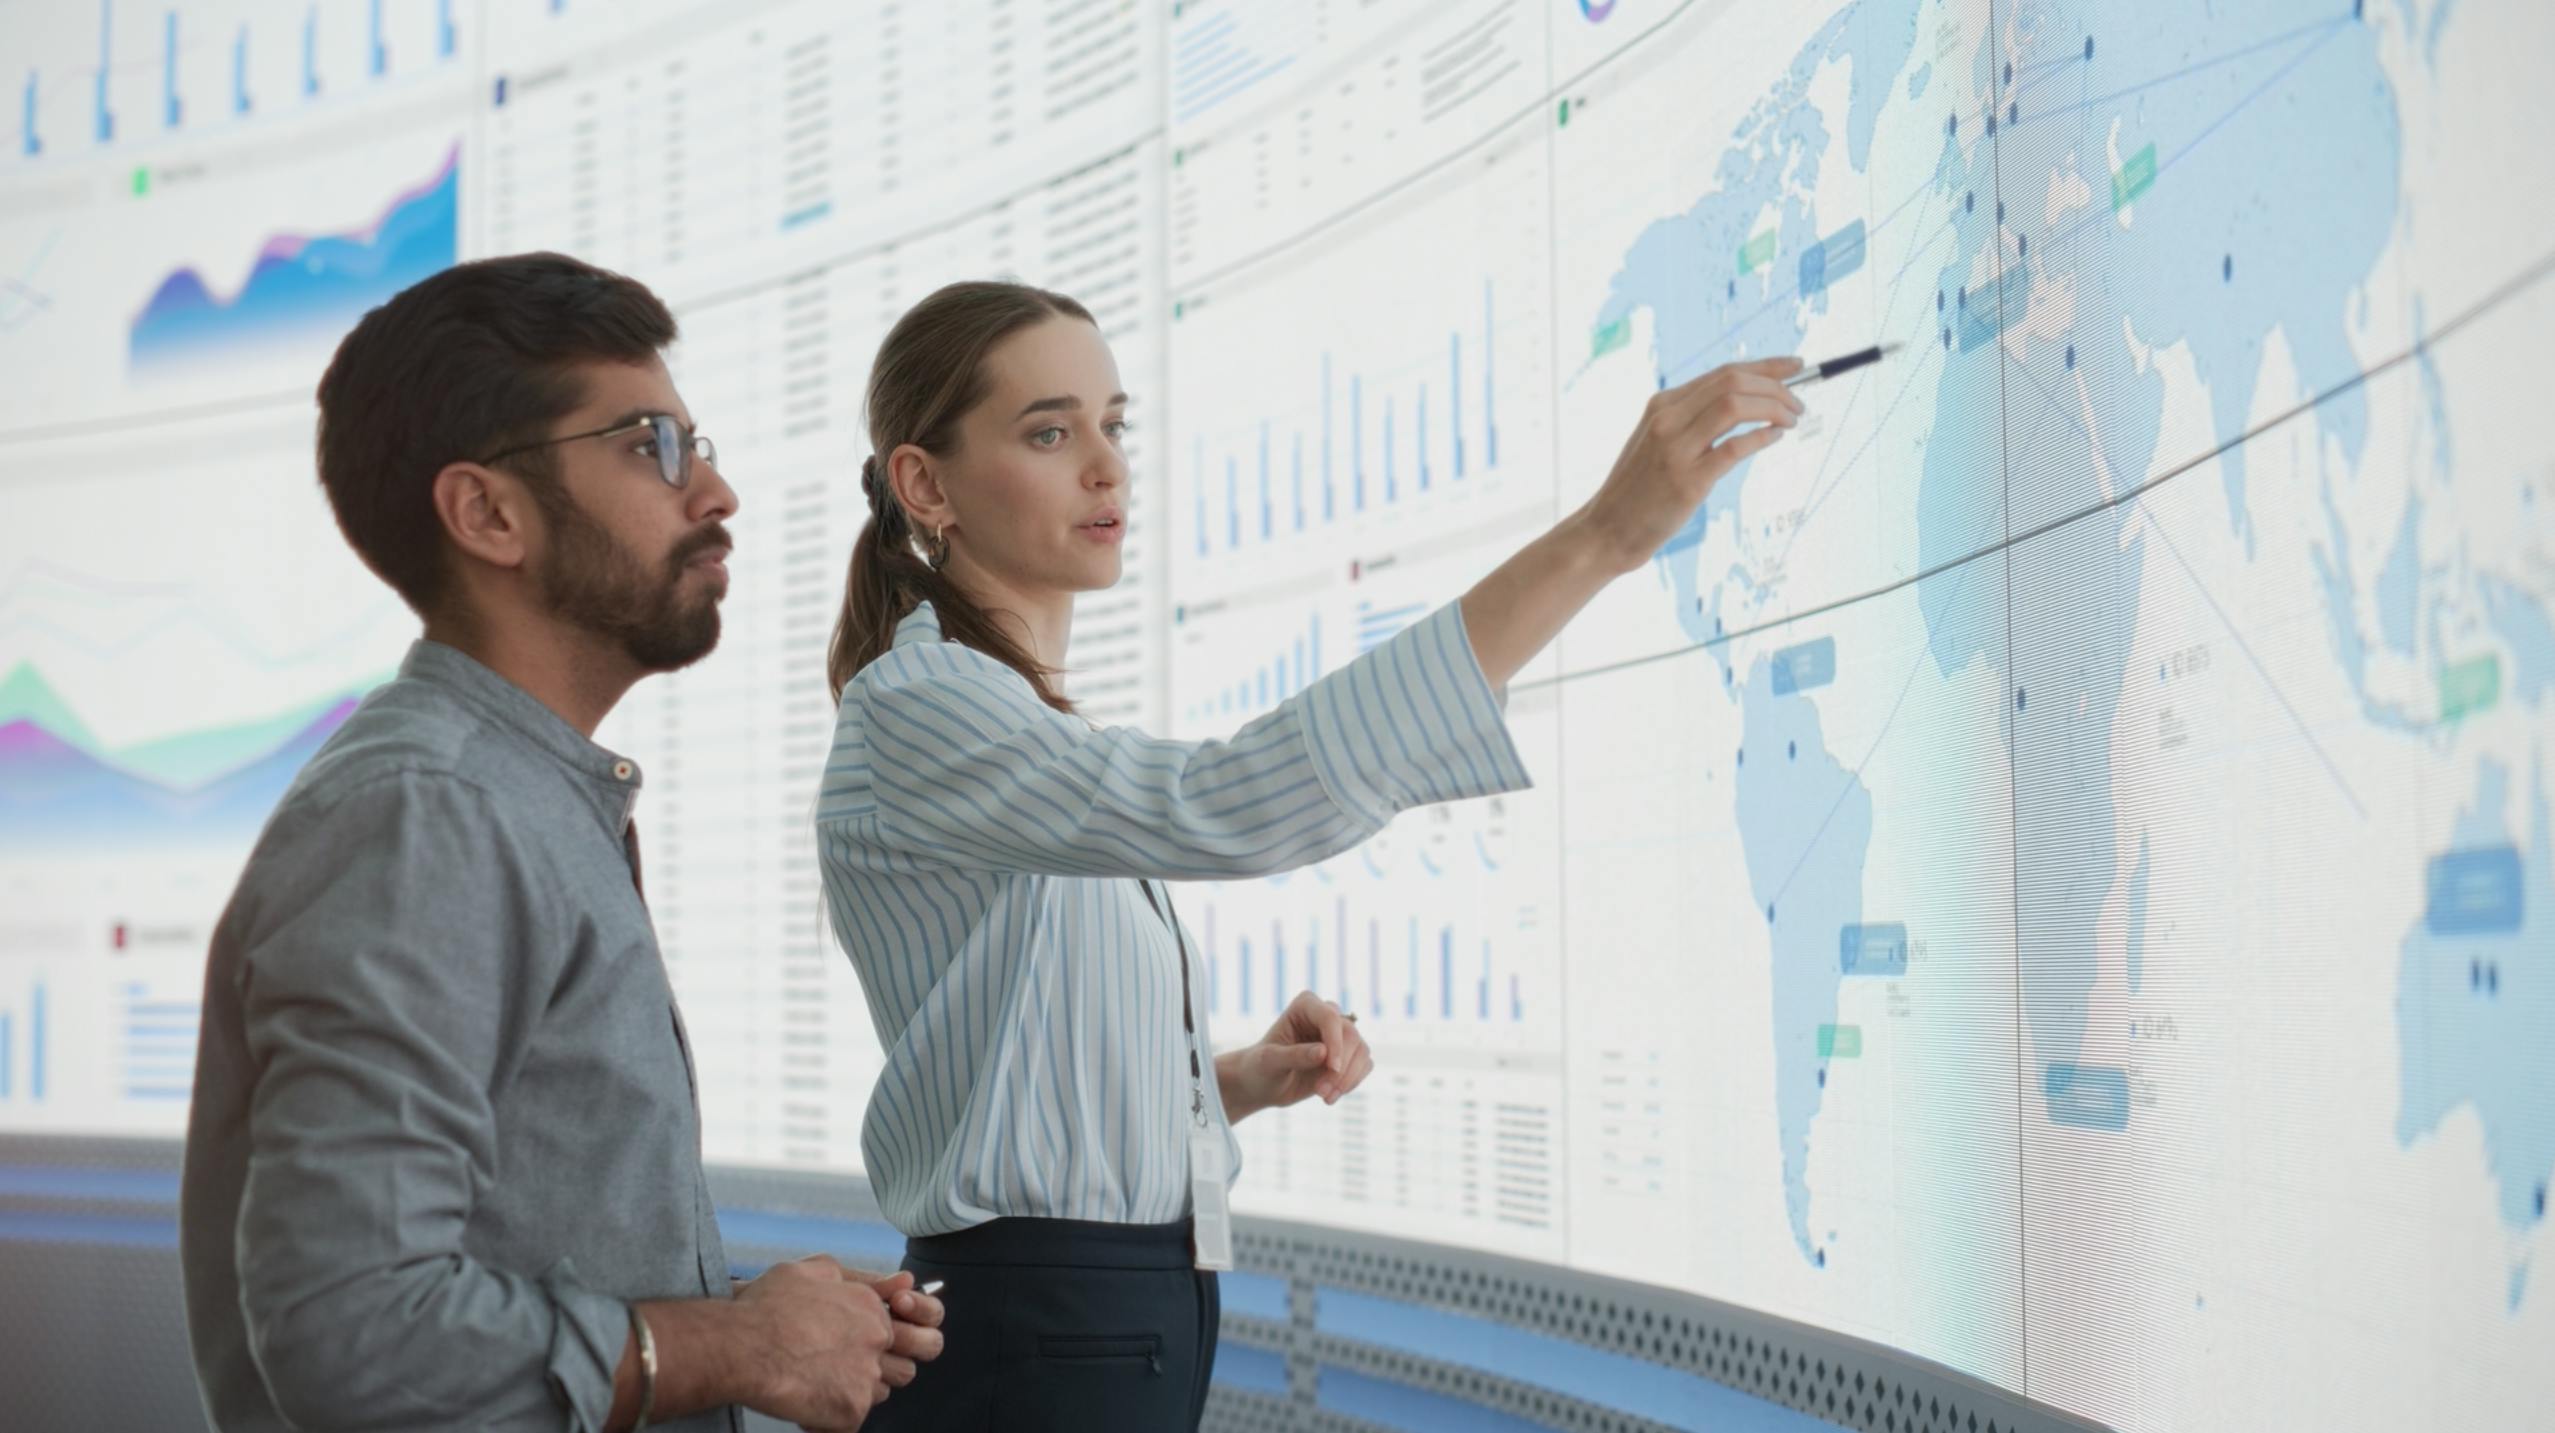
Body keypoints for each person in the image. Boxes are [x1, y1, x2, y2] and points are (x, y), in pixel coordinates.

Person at [813, 279, 1802, 1431]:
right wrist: (1602, 539)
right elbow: (1222, 802)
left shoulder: (1015, 725)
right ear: (923, 484)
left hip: (1110, 1315)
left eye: (1111, 424)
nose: (1106, 465)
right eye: (1049, 430)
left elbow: (1011, 1070)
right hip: (1042, 1323)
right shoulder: (922, 702)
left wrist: (1225, 1082)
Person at [179, 252, 944, 1433]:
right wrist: (731, 1341)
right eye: (652, 446)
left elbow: (488, 1268)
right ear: (488, 512)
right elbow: (353, 1333)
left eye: (703, 441)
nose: (719, 492)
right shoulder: (428, 814)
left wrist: (754, 1321)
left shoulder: (511, 799)